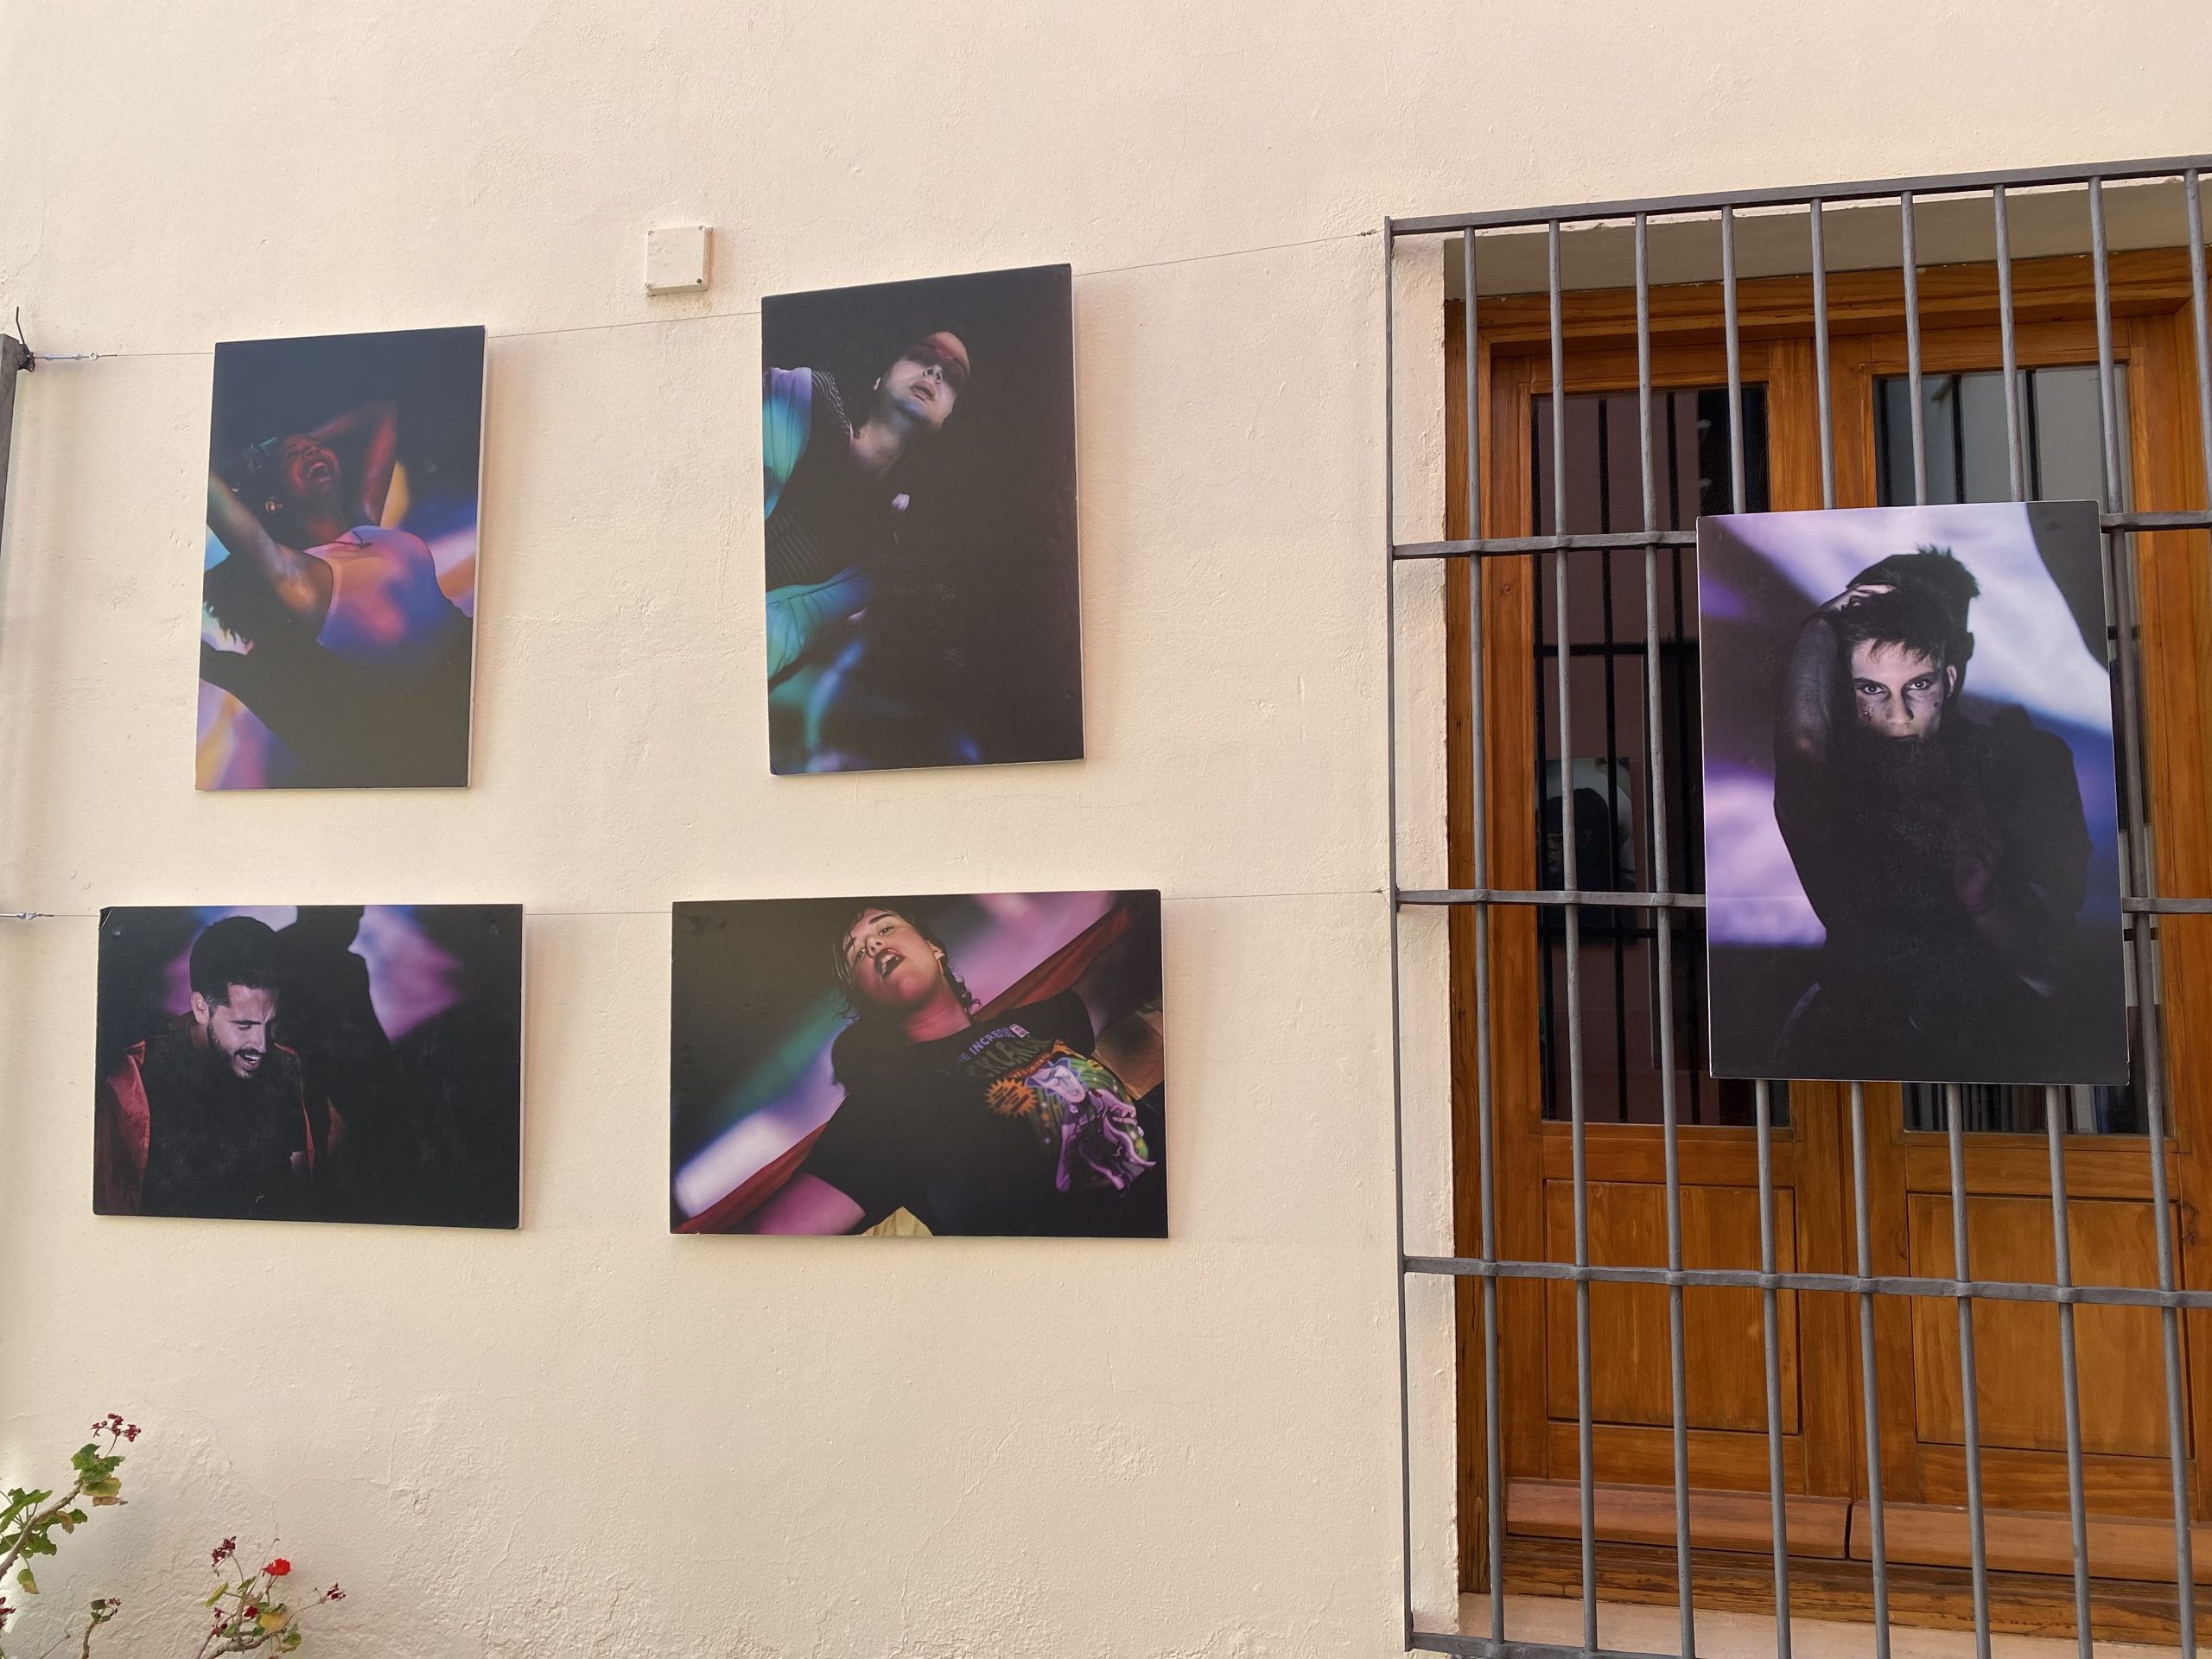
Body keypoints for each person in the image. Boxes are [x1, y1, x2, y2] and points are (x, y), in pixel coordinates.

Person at [1769, 546, 2102, 1080]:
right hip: (1853, 1045)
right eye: (1871, 687)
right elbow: (1803, 751)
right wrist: (1823, 622)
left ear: (1951, 665)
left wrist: (1985, 898)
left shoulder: (2025, 762)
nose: (1898, 713)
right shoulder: (1840, 776)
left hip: (1991, 1047)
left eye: (1920, 679)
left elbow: (2052, 965)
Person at [742, 903, 1163, 1236]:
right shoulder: (887, 1105)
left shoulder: (1038, 1023)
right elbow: (767, 1240)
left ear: (934, 948)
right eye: (857, 954)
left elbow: (1115, 966)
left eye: (885, 928)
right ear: (868, 1000)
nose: (872, 945)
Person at [203, 398, 472, 785]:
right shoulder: (301, 578)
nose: (311, 452)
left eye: (315, 447)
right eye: (294, 457)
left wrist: (288, 448)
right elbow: (213, 497)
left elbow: (382, 412)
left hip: (472, 657)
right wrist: (248, 463)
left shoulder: (366, 522)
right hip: (440, 717)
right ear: (275, 502)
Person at [93, 916, 344, 1219]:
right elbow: (116, 1205)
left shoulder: (285, 1066)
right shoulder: (136, 1080)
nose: (262, 1045)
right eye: (244, 1025)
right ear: (201, 1008)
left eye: (269, 1024)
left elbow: (299, 1190)